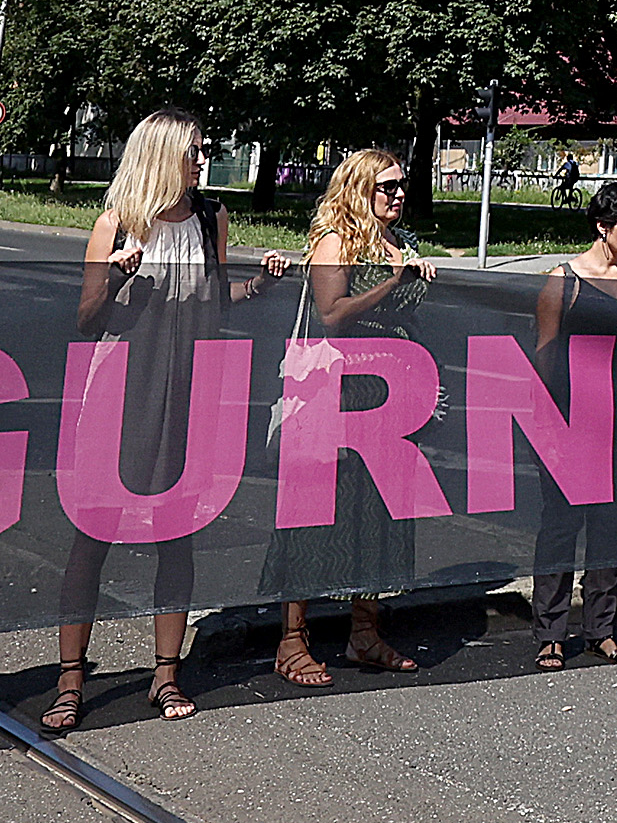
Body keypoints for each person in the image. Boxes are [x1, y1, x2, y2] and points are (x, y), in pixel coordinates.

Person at [48, 111, 296, 732]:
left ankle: (166, 672)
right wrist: (117, 276)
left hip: (188, 387)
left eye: (203, 149)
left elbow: (215, 303)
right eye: (193, 150)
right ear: (160, 155)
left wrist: (259, 285)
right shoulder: (116, 224)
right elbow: (85, 318)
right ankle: (71, 679)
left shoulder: (211, 218)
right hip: (121, 388)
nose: (203, 160)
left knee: (177, 530)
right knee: (93, 530)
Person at [278, 148, 433, 685]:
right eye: (385, 187)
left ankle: (364, 632)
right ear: (360, 188)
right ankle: (291, 640)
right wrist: (393, 279)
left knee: (379, 511)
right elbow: (332, 315)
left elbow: (406, 317)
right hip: (339, 390)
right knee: (317, 509)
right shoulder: (334, 241)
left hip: (392, 393)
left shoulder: (402, 241)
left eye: (401, 187)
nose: (397, 195)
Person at [525, 180, 617, 669]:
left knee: (609, 526)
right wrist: (549, 430)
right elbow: (544, 356)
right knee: (560, 526)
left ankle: (601, 628)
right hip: (570, 422)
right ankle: (551, 632)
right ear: (602, 227)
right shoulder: (564, 280)